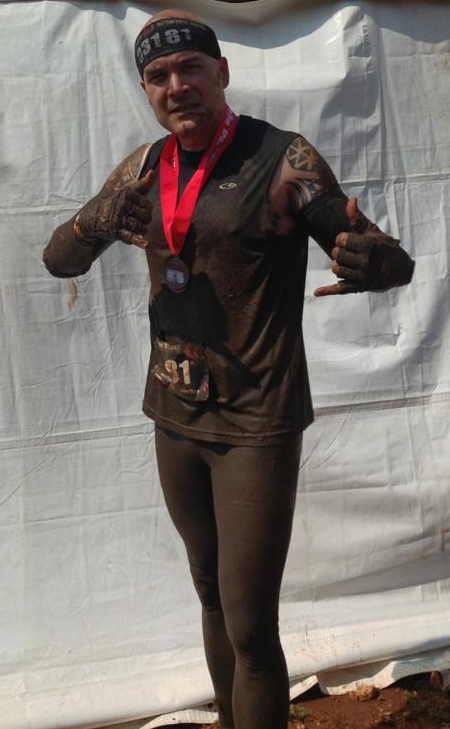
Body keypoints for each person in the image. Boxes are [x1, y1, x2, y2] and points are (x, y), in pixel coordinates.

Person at [43, 9, 415, 729]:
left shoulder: (282, 159)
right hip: (173, 416)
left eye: (191, 68)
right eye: (158, 75)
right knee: (210, 594)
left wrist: (378, 261)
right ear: (145, 89)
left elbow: (380, 252)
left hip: (256, 424)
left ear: (222, 72)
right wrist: (96, 223)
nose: (176, 85)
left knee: (249, 624)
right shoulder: (146, 167)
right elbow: (60, 258)